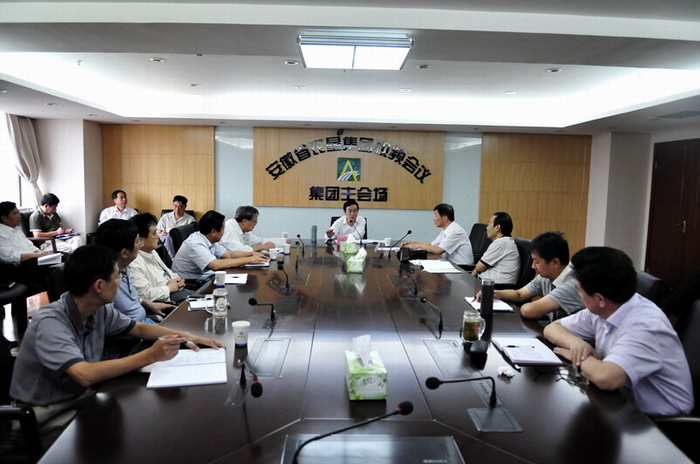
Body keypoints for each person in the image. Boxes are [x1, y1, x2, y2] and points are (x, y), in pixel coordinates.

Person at [9, 245, 224, 448]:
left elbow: (138, 328)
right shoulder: (50, 322)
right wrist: (151, 355)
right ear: (99, 286)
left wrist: (187, 336)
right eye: (117, 277)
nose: (120, 283)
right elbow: (84, 374)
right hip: (46, 416)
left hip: (82, 398)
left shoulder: (97, 309)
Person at [544, 246, 693, 416]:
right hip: (619, 404)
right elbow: (553, 328)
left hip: (661, 423)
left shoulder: (645, 325)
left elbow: (605, 378)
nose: (579, 294)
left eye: (579, 290)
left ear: (599, 299)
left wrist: (576, 357)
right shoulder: (607, 307)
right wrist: (576, 343)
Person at [478, 231, 583, 320]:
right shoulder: (547, 276)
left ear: (555, 263)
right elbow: (519, 294)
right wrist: (493, 293)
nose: (533, 266)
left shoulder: (572, 284)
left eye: (537, 262)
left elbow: (528, 311)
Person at [94, 219, 175, 322]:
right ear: (124, 253)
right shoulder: (108, 282)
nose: (141, 244)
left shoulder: (125, 267)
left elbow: (132, 296)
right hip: (136, 328)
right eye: (137, 241)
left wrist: (148, 304)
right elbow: (116, 326)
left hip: (144, 320)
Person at [172, 210, 269, 280]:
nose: (224, 231)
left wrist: (251, 254)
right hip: (190, 284)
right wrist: (249, 260)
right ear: (213, 231)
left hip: (205, 277)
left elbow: (229, 254)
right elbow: (215, 265)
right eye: (223, 229)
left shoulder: (209, 239)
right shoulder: (195, 244)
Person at [130, 213, 191, 304]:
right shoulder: (133, 262)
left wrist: (178, 281)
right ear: (140, 240)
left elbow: (168, 272)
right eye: (154, 233)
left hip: (176, 291)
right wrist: (169, 288)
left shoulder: (151, 251)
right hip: (165, 300)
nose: (158, 236)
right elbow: (144, 295)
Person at [401, 203, 473, 266]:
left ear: (445, 218)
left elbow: (438, 250)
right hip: (450, 264)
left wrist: (417, 246)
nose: (434, 219)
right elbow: (432, 245)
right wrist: (411, 243)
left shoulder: (456, 232)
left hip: (461, 268)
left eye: (436, 215)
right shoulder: (446, 230)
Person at [471, 212, 520, 284]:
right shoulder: (505, 242)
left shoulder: (501, 243)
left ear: (497, 228)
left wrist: (470, 279)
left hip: (495, 286)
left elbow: (479, 267)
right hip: (488, 282)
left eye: (489, 224)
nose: (487, 228)